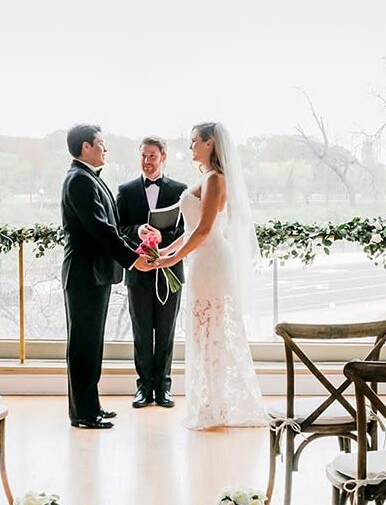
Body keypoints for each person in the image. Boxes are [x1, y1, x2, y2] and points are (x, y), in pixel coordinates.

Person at [154, 122, 266, 430]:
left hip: (213, 259)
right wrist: (165, 253)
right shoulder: (205, 178)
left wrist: (175, 258)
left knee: (213, 331)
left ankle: (219, 404)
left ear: (209, 144)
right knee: (203, 333)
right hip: (202, 260)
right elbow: (191, 230)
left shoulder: (216, 178)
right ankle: (210, 401)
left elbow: (204, 230)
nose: (190, 146)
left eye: (194, 141)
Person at [61, 124, 154, 430]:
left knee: (92, 343)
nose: (105, 149)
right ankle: (83, 415)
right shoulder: (79, 181)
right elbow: (100, 230)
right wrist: (133, 260)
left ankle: (91, 407)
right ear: (86, 147)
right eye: (101, 144)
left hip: (95, 274)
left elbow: (111, 230)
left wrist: (137, 249)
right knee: (83, 345)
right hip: (84, 275)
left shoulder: (88, 178)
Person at [116, 136, 188, 409]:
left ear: (164, 157)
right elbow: (118, 229)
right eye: (143, 156)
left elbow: (186, 231)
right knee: (142, 333)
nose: (147, 162)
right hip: (138, 272)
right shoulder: (125, 190)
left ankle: (164, 388)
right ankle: (143, 388)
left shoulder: (181, 190)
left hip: (171, 270)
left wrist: (164, 236)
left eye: (152, 156)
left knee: (167, 332)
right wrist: (138, 231)